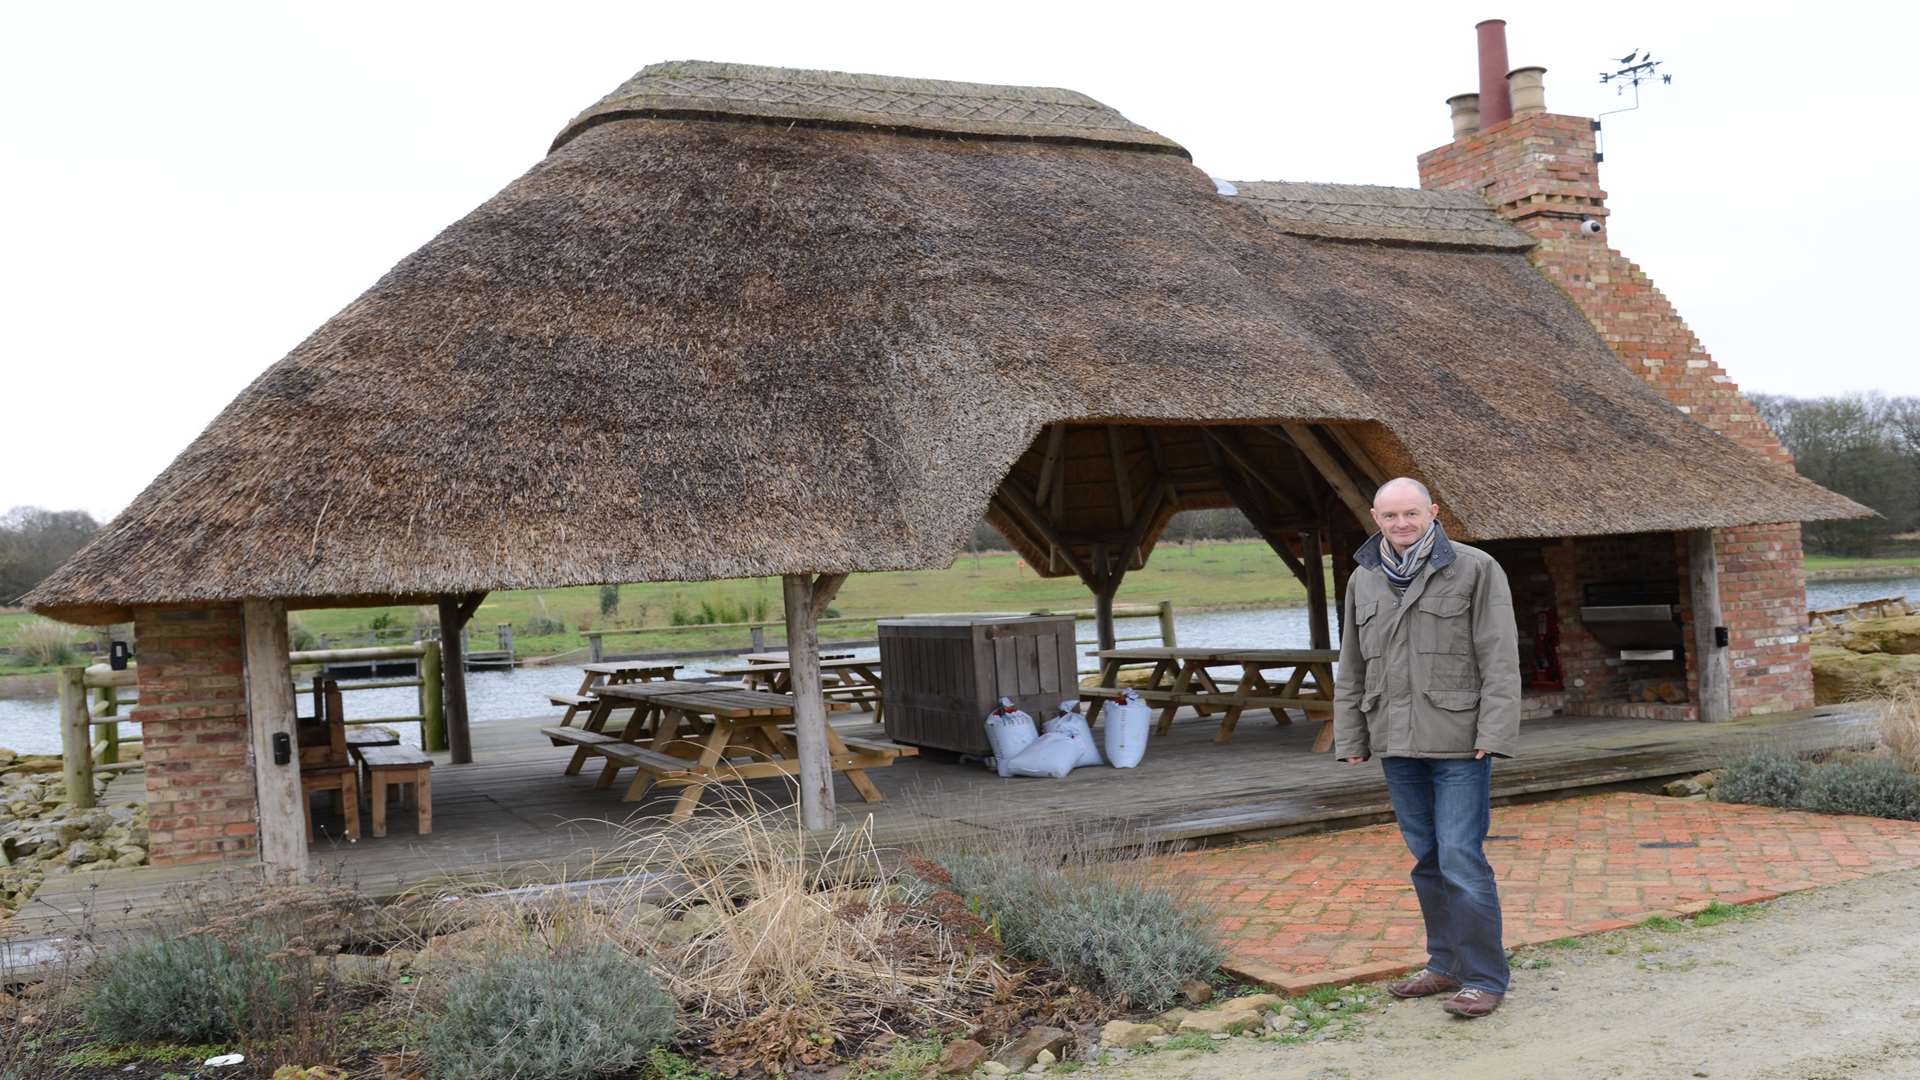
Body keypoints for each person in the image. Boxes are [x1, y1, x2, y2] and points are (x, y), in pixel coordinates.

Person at [1333, 477, 1520, 1019]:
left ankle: (1485, 977)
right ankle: (1446, 964)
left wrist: (1495, 732)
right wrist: (1352, 736)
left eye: (1410, 513)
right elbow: (1351, 665)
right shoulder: (1363, 579)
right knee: (1428, 860)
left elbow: (1499, 655)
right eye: (1390, 516)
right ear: (1375, 517)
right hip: (1396, 741)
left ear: (1432, 512)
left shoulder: (1476, 567)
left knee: (1462, 858)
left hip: (1461, 742)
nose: (1401, 524)